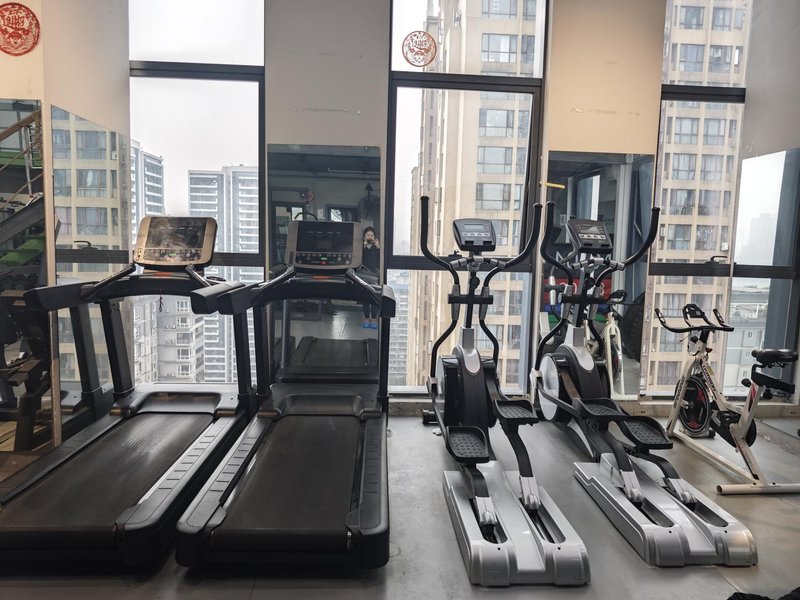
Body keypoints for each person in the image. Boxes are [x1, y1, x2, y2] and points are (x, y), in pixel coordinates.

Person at [361, 226, 380, 329]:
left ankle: (373, 319)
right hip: (364, 274)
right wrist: (363, 247)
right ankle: (366, 318)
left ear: (374, 237)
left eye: (372, 235)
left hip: (374, 275)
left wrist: (378, 248)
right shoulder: (361, 247)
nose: (370, 237)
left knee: (374, 296)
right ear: (364, 236)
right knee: (365, 297)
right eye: (368, 235)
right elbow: (360, 260)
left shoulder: (376, 247)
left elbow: (379, 261)